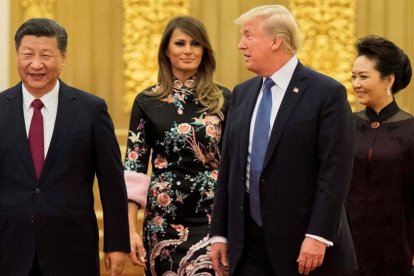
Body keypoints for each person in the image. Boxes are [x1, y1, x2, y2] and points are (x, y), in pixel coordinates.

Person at [209, 5, 358, 276]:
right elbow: (228, 170)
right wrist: (219, 233)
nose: (241, 45)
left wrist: (318, 235)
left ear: (276, 41)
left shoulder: (326, 93)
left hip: (304, 245)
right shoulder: (242, 94)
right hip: (248, 245)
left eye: (248, 35)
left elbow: (335, 173)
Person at [0, 18, 130, 275]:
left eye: (46, 55)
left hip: (71, 249)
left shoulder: (90, 110)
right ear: (17, 56)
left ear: (63, 57)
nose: (36, 64)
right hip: (9, 247)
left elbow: (112, 182)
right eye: (28, 55)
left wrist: (116, 244)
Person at [123, 16, 231, 275]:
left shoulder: (224, 99)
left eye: (195, 44)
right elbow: (134, 168)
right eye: (180, 43)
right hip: (162, 222)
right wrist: (129, 230)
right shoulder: (146, 101)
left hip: (212, 220)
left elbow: (234, 165)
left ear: (204, 51)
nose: (188, 50)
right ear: (166, 50)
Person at [347, 35, 414, 276]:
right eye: (354, 76)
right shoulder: (346, 124)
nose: (356, 84)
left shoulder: (411, 129)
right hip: (345, 247)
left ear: (388, 79)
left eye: (364, 77)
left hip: (393, 247)